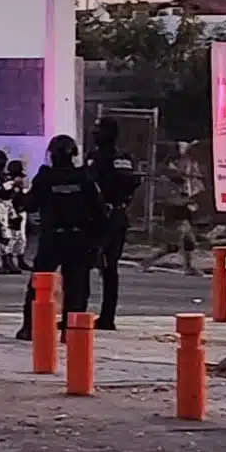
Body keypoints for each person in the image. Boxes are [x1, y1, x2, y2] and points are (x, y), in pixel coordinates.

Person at [15, 134, 105, 341]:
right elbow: (99, 211)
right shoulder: (84, 178)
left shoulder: (45, 178)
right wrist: (97, 243)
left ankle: (31, 327)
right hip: (78, 238)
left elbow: (29, 204)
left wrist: (18, 195)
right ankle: (71, 330)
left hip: (52, 238)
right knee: (77, 287)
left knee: (40, 284)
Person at [87, 117, 140, 329]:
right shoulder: (125, 158)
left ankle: (77, 313)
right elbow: (133, 184)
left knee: (81, 268)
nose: (94, 134)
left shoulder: (98, 157)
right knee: (110, 270)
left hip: (99, 218)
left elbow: (90, 184)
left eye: (98, 131)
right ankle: (107, 316)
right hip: (118, 216)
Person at [142, 143, 203, 275]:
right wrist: (184, 197)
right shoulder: (171, 170)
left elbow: (192, 186)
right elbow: (171, 193)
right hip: (174, 209)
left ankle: (149, 261)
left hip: (183, 207)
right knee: (182, 238)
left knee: (177, 244)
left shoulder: (188, 168)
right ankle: (187, 267)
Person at [4, 159, 31, 271]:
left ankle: (20, 259)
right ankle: (8, 260)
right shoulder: (9, 184)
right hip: (13, 212)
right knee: (12, 237)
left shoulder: (20, 183)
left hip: (21, 211)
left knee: (21, 238)